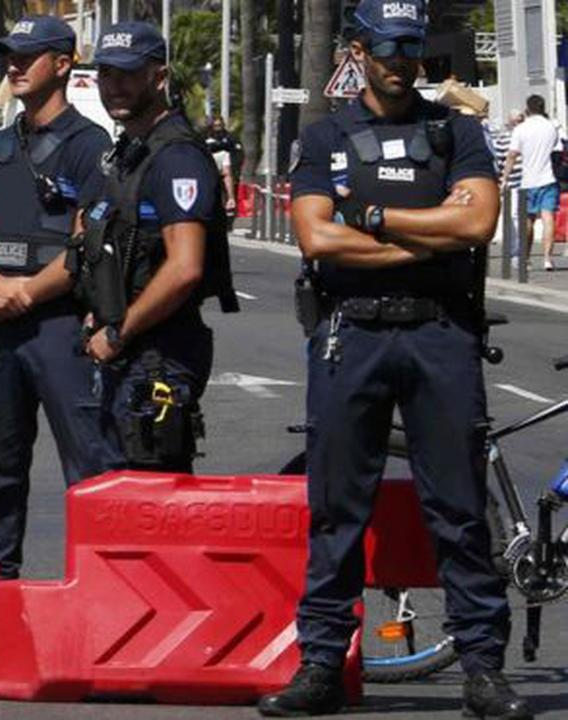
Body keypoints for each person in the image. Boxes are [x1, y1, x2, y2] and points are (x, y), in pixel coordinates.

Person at [259, 0, 528, 716]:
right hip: (352, 334)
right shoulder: (326, 138)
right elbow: (316, 239)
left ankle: (481, 667)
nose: (401, 62)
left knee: (460, 511)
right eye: (386, 49)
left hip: (440, 334)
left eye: (411, 48)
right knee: (337, 509)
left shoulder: (457, 131)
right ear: (357, 51)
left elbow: (475, 222)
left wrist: (372, 218)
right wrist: (424, 235)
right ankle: (321, 664)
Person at [0, 15, 124, 659]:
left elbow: (85, 248)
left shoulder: (92, 146)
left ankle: (107, 609)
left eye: (26, 57)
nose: (13, 66)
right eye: (8, 56)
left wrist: (20, 295)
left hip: (59, 327)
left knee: (89, 474)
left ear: (62, 63)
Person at [73, 22, 237, 474]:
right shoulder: (133, 151)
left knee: (151, 497)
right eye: (106, 74)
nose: (114, 86)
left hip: (157, 355)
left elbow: (184, 268)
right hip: (128, 351)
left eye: (128, 74)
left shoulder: (176, 156)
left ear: (158, 77)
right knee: (123, 496)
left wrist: (119, 331)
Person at [504, 95, 562, 272]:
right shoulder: (551, 127)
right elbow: (557, 151)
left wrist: (504, 177)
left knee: (527, 220)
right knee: (548, 218)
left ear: (527, 109)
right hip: (548, 178)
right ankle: (547, 259)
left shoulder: (521, 129)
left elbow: (512, 155)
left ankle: (526, 258)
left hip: (527, 180)